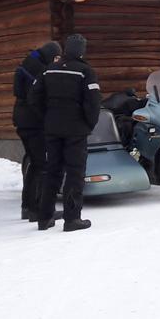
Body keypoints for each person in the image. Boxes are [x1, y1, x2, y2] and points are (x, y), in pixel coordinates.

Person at [31, 33, 101, 232]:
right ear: (81, 50)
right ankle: (72, 219)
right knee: (75, 173)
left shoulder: (48, 70)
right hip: (76, 130)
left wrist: (46, 118)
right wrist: (89, 124)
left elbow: (34, 97)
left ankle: (44, 217)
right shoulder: (85, 71)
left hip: (52, 128)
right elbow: (93, 102)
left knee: (52, 171)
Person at [12, 40, 61, 221]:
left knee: (36, 164)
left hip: (24, 121)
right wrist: (46, 118)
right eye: (56, 57)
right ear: (49, 55)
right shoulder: (38, 70)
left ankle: (29, 207)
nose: (57, 61)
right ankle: (37, 209)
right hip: (32, 123)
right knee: (42, 165)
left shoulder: (29, 63)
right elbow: (35, 99)